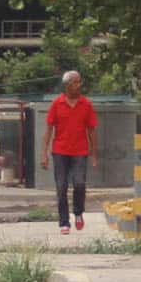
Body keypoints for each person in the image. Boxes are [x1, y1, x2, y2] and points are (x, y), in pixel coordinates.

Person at [41, 70, 98, 233]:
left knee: (79, 184)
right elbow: (48, 130)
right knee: (61, 186)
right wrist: (44, 153)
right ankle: (64, 222)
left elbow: (92, 130)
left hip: (80, 151)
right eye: (75, 82)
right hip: (60, 151)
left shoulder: (86, 104)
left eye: (79, 82)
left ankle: (78, 212)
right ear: (67, 85)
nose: (78, 85)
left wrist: (95, 154)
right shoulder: (56, 104)